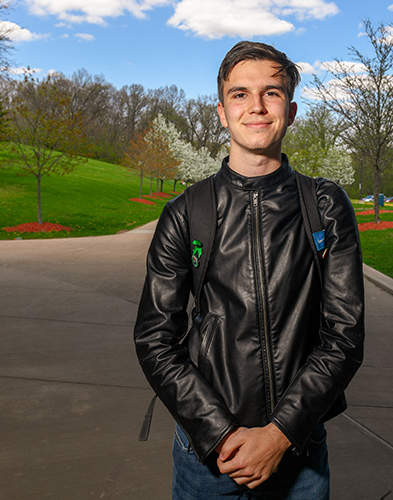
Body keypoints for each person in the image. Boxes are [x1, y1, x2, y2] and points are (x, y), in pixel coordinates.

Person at [134, 41, 364, 499]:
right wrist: (219, 433)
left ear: (292, 110)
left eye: (271, 93)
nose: (256, 106)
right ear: (221, 112)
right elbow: (155, 338)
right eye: (240, 94)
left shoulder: (324, 206)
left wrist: (279, 434)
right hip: (208, 456)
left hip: (299, 453)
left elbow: (344, 334)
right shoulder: (186, 213)